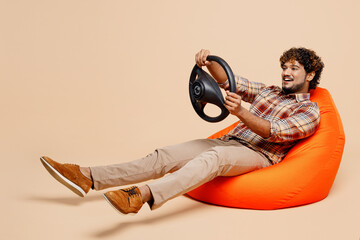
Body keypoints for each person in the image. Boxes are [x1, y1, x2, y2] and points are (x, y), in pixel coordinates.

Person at [40, 47, 324, 215]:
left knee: (212, 159)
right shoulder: (268, 90)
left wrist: (241, 112)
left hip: (259, 155)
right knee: (163, 156)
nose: (286, 72)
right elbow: (230, 81)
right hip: (230, 141)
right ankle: (87, 177)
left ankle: (139, 196)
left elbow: (272, 131)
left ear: (309, 75)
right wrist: (208, 60)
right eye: (284, 67)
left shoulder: (310, 111)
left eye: (294, 68)